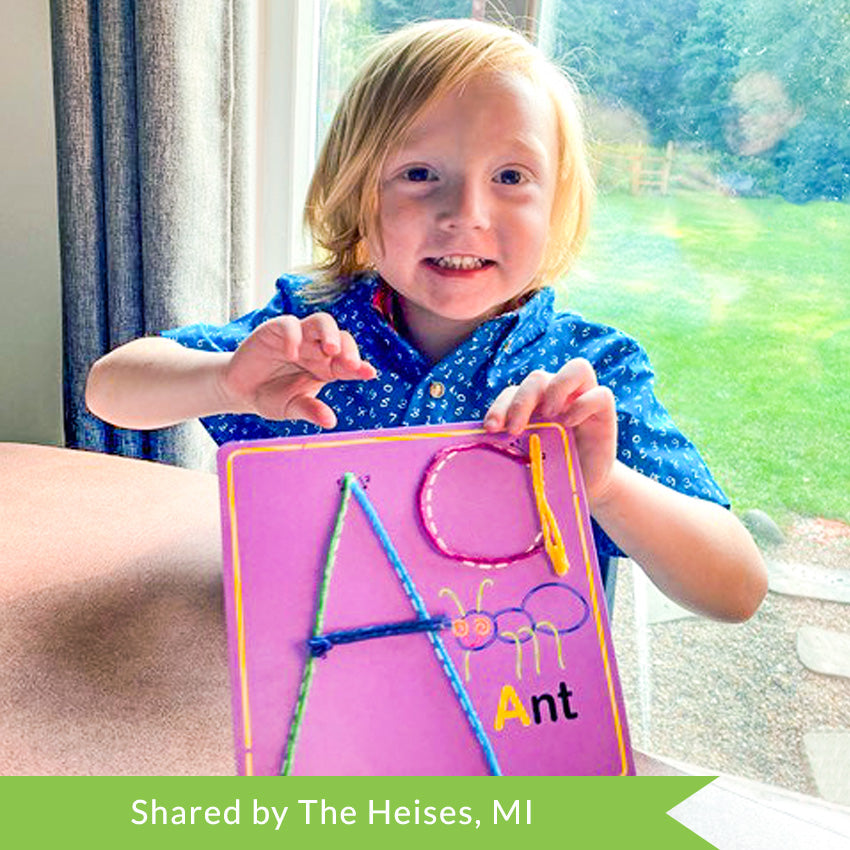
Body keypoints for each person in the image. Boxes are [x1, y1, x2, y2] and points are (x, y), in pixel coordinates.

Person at [86, 19, 767, 622]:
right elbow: (110, 390)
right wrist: (228, 382)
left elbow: (736, 588)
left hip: (510, 720)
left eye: (510, 177)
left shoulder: (586, 376)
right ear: (359, 194)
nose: (465, 212)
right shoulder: (313, 328)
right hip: (304, 704)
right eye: (418, 173)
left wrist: (606, 485)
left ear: (556, 203)